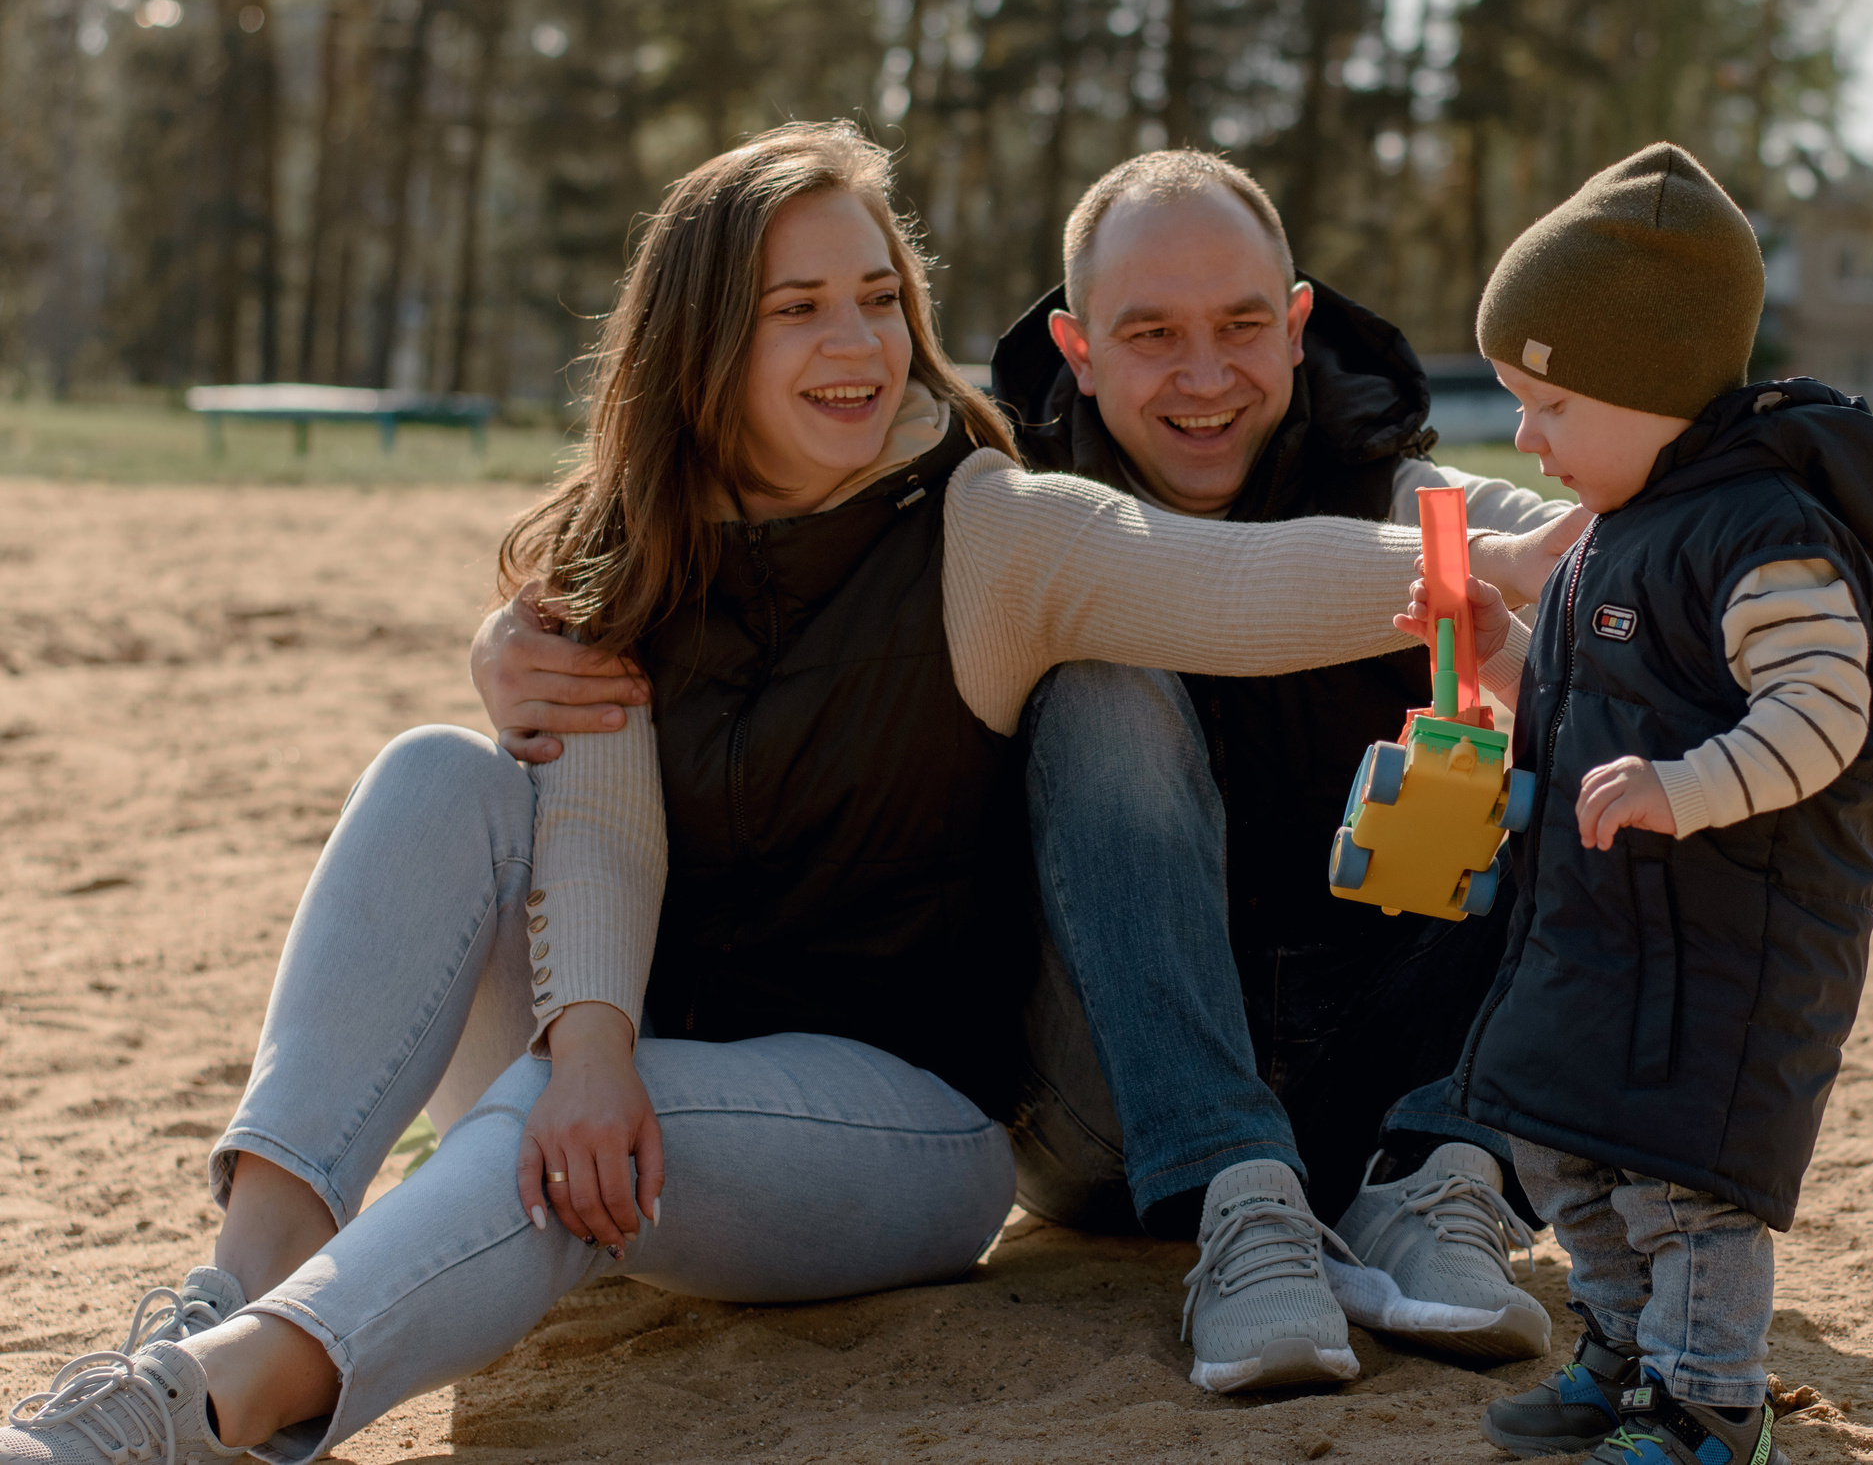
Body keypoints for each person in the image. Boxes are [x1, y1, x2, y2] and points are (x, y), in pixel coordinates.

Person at [0, 123, 1565, 1465]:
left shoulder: (988, 523)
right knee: (438, 773)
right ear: (704, 346)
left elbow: (1218, 574)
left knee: (577, 1106)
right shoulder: (609, 546)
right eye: (799, 307)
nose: (860, 343)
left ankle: (210, 1402)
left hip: (901, 1126)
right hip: (650, 1058)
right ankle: (238, 1280)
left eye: (881, 299)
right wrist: (593, 1037)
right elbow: (597, 823)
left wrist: (1472, 568)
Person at [477, 149, 1582, 1392]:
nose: (1205, 376)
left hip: (1380, 1055)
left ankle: (1442, 1177)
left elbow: (1555, 547)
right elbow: (727, 608)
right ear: (1076, 346)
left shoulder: (1405, 492)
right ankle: (1239, 1193)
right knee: (1101, 679)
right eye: (1150, 333)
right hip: (1094, 1088)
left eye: (1240, 327)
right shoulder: (1003, 510)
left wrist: (1569, 611)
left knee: (1585, 713)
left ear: (1297, 322)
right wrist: (517, 640)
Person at [1401, 144, 1873, 1465]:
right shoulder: (1621, 521)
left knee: (1684, 1187)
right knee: (1565, 1155)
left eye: (1547, 403)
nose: (1527, 438)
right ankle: (1625, 1354)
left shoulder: (1763, 534)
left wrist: (1684, 786)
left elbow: (1823, 714)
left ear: (1649, 381)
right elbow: (1585, 695)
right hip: (1610, 932)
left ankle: (1711, 1391)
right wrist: (1494, 645)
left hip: (1728, 944)